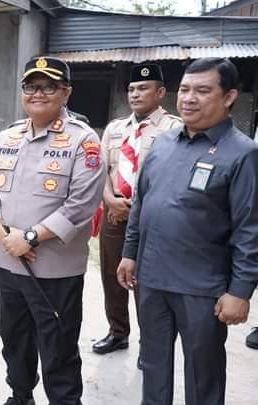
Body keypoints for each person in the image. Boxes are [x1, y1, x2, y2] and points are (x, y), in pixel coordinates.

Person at [117, 58, 258, 405]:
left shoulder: (243, 154)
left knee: (203, 375)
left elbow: (250, 229)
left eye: (203, 90)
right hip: (151, 281)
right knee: (153, 365)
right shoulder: (163, 144)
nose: (189, 98)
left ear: (229, 97)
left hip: (203, 288)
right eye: (185, 89)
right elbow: (141, 205)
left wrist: (240, 291)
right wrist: (130, 252)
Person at [0, 56, 105, 405]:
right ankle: (20, 396)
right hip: (9, 264)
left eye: (48, 86)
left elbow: (82, 204)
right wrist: (4, 235)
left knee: (58, 345)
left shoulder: (84, 141)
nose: (38, 93)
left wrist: (29, 237)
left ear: (66, 93)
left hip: (55, 271)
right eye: (31, 86)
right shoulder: (8, 136)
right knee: (13, 337)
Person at [93, 64, 182, 359]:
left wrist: (134, 209)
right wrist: (110, 200)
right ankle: (118, 332)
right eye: (132, 89)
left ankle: (150, 344)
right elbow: (102, 172)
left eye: (143, 88)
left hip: (151, 220)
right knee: (110, 276)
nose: (135, 94)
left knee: (147, 283)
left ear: (160, 93)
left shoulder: (175, 128)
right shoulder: (115, 128)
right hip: (115, 214)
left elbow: (174, 176)